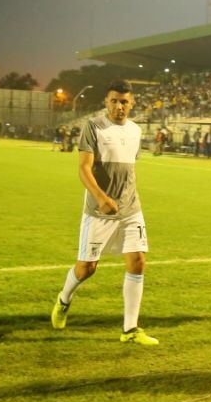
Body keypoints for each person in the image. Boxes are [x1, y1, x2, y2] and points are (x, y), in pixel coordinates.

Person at [50, 82, 156, 345]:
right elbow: (84, 169)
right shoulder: (94, 127)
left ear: (132, 104)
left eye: (124, 102)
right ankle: (64, 300)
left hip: (130, 208)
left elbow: (129, 169)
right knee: (87, 268)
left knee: (138, 261)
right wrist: (102, 198)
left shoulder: (135, 130)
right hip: (99, 210)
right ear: (106, 102)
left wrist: (125, 197)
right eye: (114, 101)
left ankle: (130, 329)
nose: (119, 106)